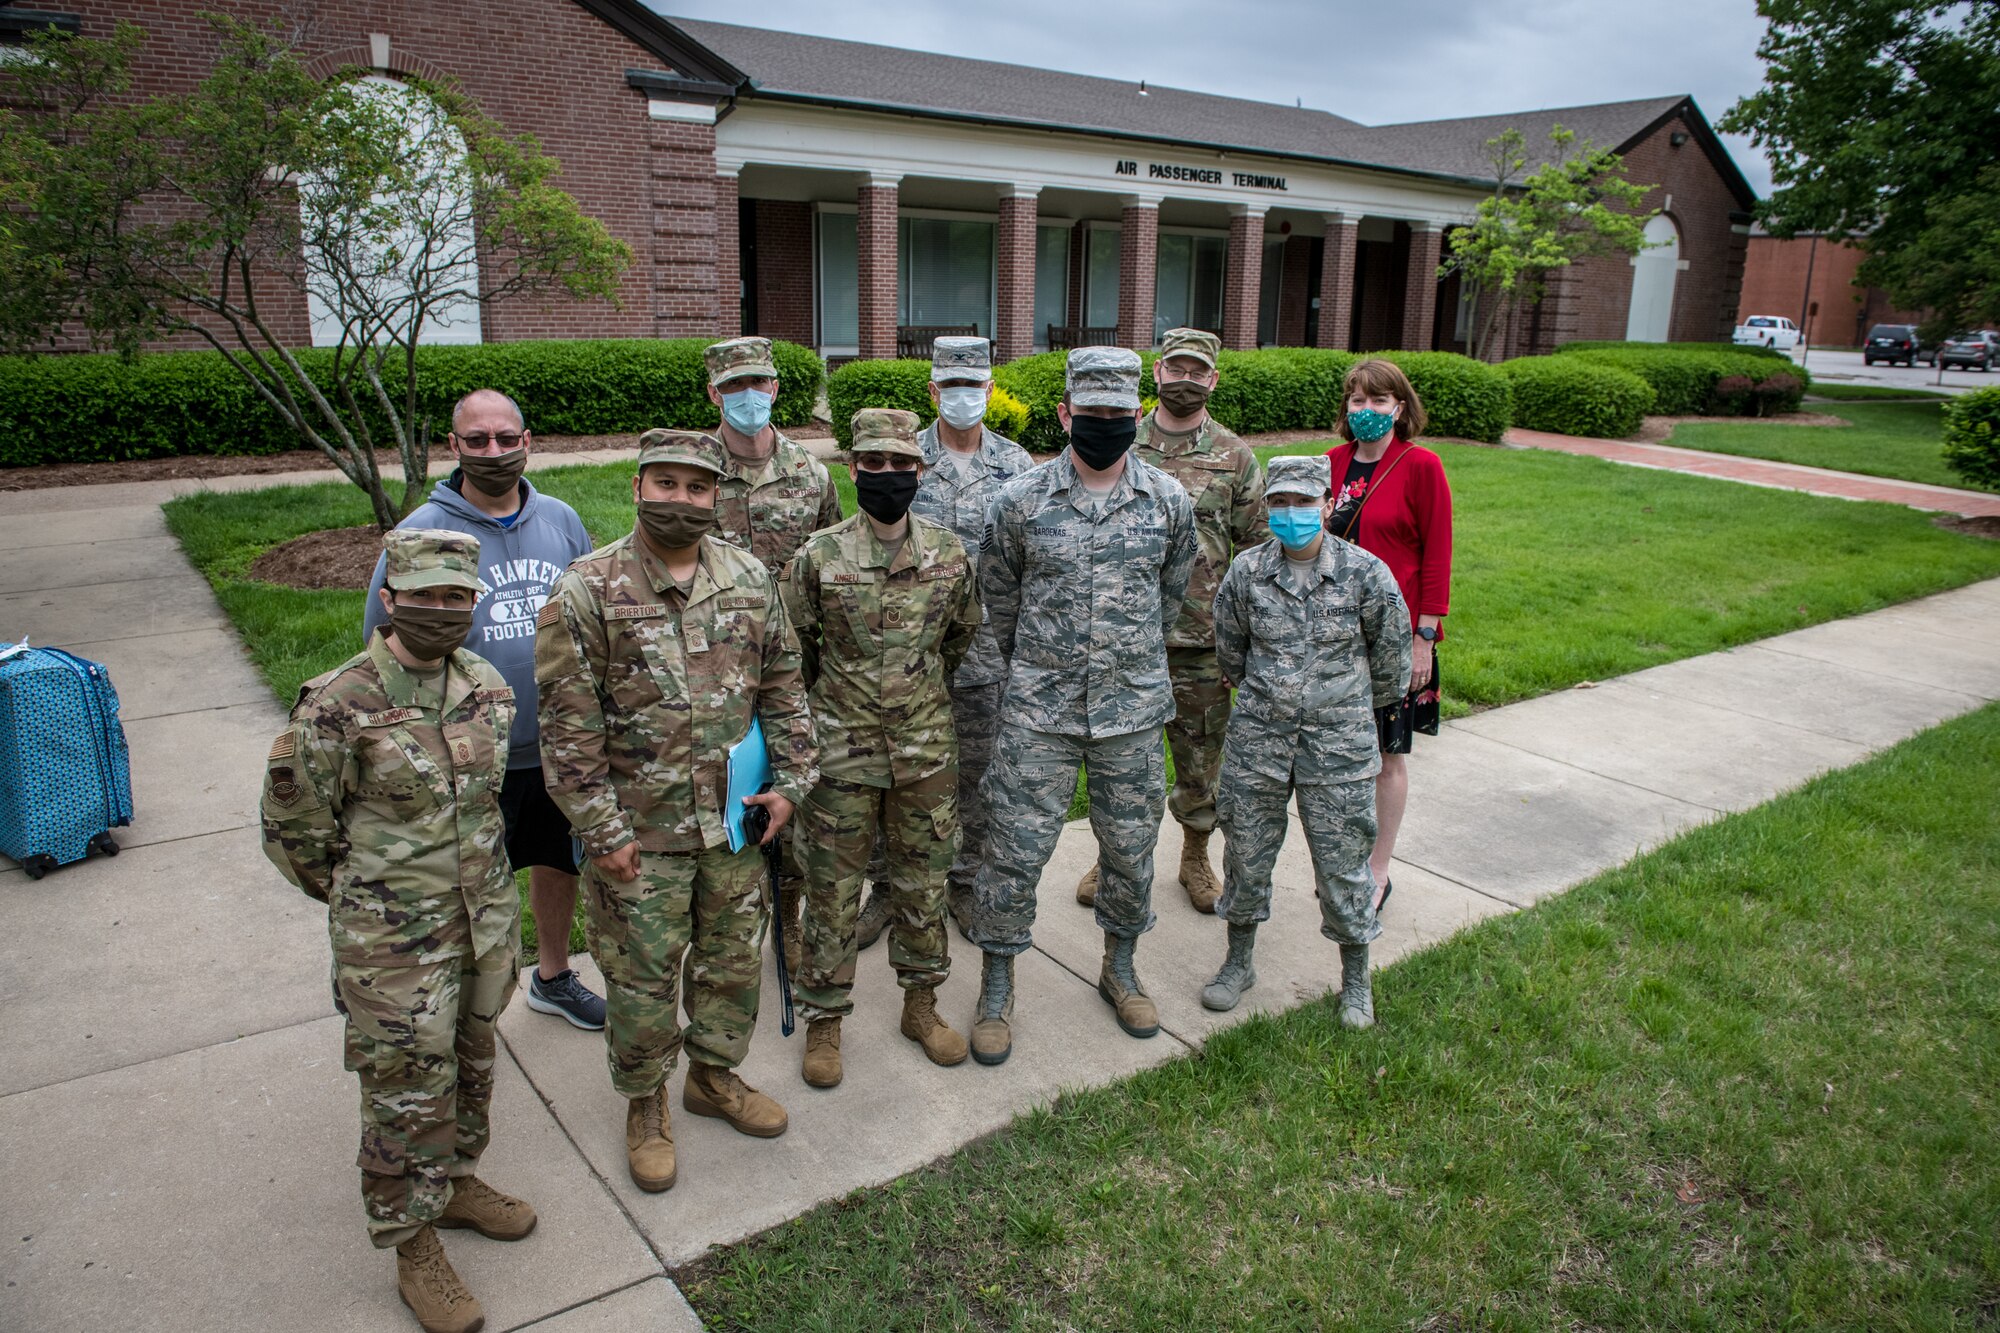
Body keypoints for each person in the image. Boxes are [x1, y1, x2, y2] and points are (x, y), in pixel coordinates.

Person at [263, 529, 533, 1333]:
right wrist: (370, 908)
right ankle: (411, 1241)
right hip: (392, 947)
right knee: (402, 1092)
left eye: (458, 597)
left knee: (473, 1062)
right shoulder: (336, 703)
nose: (442, 610)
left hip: (481, 924)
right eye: (424, 596)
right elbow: (295, 837)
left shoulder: (486, 685)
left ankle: (453, 1182)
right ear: (390, 597)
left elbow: (487, 809)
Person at [534, 429, 817, 1193]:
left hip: (733, 825)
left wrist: (790, 782)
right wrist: (602, 832)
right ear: (637, 486)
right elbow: (567, 727)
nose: (682, 500)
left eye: (697, 488)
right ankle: (646, 1101)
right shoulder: (586, 588)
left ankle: (714, 1075)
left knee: (730, 964)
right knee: (641, 978)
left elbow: (785, 686)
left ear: (716, 494)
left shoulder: (750, 577)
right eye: (666, 484)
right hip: (639, 836)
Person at [967, 347, 1197, 1064]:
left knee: (1129, 852)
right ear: (1066, 413)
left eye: (1119, 415)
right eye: (1091, 414)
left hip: (1130, 711)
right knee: (1013, 851)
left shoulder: (1168, 501)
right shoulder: (1020, 502)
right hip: (1040, 710)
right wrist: (1040, 670)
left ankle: (1119, 966)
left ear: (1137, 415)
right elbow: (998, 604)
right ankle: (997, 983)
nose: (1105, 425)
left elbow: (1170, 597)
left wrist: (1123, 662)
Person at [362, 388, 604, 1032]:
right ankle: (468, 1006)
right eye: (477, 441)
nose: (493, 451)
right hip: (464, 757)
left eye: (506, 438)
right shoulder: (417, 536)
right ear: (454, 447)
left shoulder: (561, 520)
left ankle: (552, 976)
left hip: (556, 745)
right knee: (465, 884)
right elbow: (381, 652)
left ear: (528, 442)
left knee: (557, 862)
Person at [783, 408, 982, 1087]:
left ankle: (921, 1006)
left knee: (922, 886)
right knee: (833, 891)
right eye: (874, 464)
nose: (889, 476)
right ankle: (825, 1020)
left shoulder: (949, 554)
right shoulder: (818, 557)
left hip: (925, 752)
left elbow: (959, 636)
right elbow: (796, 651)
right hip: (839, 754)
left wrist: (913, 695)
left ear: (919, 470)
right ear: (853, 468)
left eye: (901, 465)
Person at [1202, 457, 1410, 1029]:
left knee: (1343, 865)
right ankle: (1238, 962)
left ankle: (1355, 981)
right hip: (1258, 742)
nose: (1291, 514)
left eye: (1303, 502)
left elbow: (1391, 666)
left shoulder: (1366, 574)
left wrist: (1335, 707)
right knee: (1245, 854)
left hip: (1338, 747)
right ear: (1267, 506)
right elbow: (1231, 651)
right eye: (1279, 503)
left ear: (1326, 501)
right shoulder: (1247, 572)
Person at [850, 336, 1034, 949]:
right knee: (892, 779)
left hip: (985, 657)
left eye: (974, 386)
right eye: (951, 387)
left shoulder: (1017, 466)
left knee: (979, 777)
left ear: (990, 389)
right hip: (900, 659)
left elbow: (1024, 562)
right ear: (933, 391)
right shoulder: (901, 457)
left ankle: (963, 882)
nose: (963, 396)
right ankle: (884, 887)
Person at [1074, 327, 1265, 916]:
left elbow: (1257, 551)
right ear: (1157, 373)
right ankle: (1112, 857)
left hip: (1201, 641)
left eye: (1197, 371)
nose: (1185, 380)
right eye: (1175, 369)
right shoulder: (1121, 441)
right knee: (1116, 764)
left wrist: (1246, 643)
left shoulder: (1234, 456)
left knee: (1199, 758)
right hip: (1126, 638)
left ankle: (1194, 855)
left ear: (1213, 378)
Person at [701, 335, 843, 972]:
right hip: (715, 669)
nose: (748, 397)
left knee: (793, 784)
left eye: (758, 383)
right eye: (734, 386)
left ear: (776, 388)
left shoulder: (810, 475)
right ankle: (723, 914)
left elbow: (830, 566)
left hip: (796, 667)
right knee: (723, 790)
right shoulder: (694, 473)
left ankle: (786, 908)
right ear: (715, 394)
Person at [1323, 359, 1453, 913]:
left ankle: (1378, 869)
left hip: (1397, 637)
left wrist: (1425, 636)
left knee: (1387, 754)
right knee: (1333, 754)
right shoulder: (1329, 464)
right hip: (1331, 634)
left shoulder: (1421, 466)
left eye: (1380, 402)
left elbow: (1437, 555)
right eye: (1358, 401)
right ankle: (1336, 857)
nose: (1368, 411)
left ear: (1400, 408)